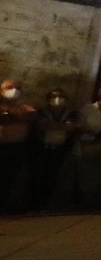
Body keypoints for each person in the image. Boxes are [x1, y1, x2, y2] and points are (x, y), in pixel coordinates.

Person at [34, 88, 77, 210]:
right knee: (39, 175)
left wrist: (53, 125)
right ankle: (36, 203)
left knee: (56, 176)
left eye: (61, 96)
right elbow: (41, 125)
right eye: (54, 96)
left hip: (61, 149)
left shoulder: (71, 113)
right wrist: (62, 126)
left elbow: (71, 128)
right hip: (42, 149)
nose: (57, 99)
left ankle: (50, 203)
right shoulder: (42, 111)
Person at [0, 78, 37, 212]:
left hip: (16, 148)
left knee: (8, 179)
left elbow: (29, 116)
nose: (14, 90)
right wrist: (13, 116)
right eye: (9, 87)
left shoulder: (25, 108)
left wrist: (9, 115)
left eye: (17, 88)